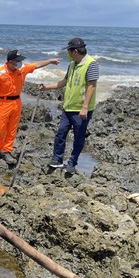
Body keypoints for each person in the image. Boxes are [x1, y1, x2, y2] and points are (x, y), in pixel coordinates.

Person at [0, 50, 60, 165]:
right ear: (9, 62)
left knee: (12, 129)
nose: (19, 63)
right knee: (0, 128)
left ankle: (7, 151)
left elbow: (36, 65)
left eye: (20, 61)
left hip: (17, 102)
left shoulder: (22, 69)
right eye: (17, 61)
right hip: (3, 103)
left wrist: (50, 61)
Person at [39, 37, 99, 175]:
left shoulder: (91, 64)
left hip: (81, 109)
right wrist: (46, 87)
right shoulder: (72, 64)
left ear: (75, 51)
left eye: (69, 50)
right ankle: (57, 159)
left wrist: (84, 107)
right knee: (61, 133)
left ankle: (72, 162)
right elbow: (64, 82)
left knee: (79, 137)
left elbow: (91, 86)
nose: (68, 53)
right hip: (68, 107)